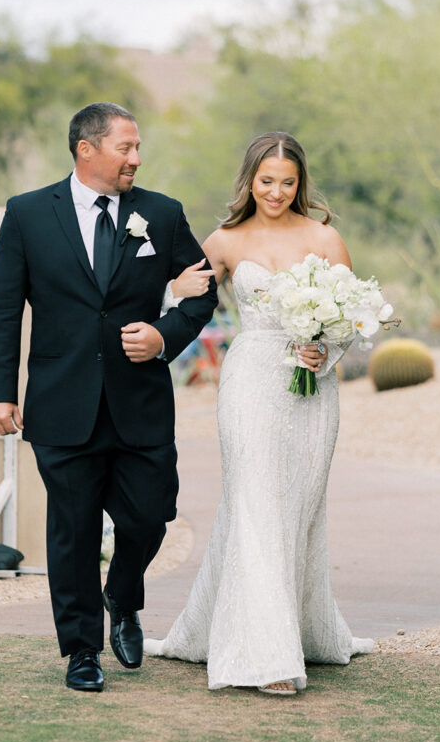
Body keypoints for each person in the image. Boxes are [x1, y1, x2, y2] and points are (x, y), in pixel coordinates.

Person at [0, 101, 217, 693]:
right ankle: (81, 651)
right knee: (75, 530)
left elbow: (203, 291)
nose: (136, 158)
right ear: (86, 149)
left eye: (137, 148)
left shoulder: (161, 215)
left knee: (150, 518)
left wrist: (165, 335)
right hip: (62, 404)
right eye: (125, 148)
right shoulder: (29, 214)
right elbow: (2, 309)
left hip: (140, 403)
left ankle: (123, 594)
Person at [144, 132, 374, 695]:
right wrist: (172, 289)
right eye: (266, 181)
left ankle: (297, 629)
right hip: (249, 383)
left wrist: (326, 353)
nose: (276, 192)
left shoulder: (324, 236)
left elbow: (355, 319)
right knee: (255, 504)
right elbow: (181, 301)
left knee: (296, 506)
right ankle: (266, 657)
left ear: (301, 183)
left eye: (287, 182)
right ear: (250, 179)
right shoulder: (224, 240)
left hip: (311, 389)